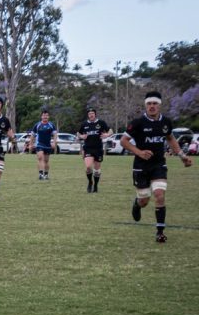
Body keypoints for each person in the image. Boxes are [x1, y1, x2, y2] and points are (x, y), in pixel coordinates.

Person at [120, 91, 193, 243]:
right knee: (144, 200)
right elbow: (124, 141)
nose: (152, 106)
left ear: (160, 105)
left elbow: (171, 139)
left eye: (155, 103)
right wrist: (139, 152)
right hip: (141, 166)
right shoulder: (138, 123)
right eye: (149, 104)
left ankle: (160, 232)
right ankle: (137, 204)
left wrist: (182, 156)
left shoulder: (165, 122)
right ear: (145, 105)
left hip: (159, 164)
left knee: (159, 195)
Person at [77, 107, 112, 193]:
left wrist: (107, 134)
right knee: (88, 167)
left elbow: (110, 130)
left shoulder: (101, 123)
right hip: (88, 148)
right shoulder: (84, 124)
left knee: (97, 170)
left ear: (95, 114)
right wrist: (81, 136)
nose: (91, 115)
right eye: (89, 114)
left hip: (98, 149)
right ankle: (90, 182)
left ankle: (96, 185)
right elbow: (78, 133)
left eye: (92, 113)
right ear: (88, 115)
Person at [29, 110, 58, 180]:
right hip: (39, 144)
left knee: (46, 161)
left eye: (46, 115)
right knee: (40, 158)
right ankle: (41, 174)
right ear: (41, 116)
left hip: (48, 145)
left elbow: (55, 134)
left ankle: (46, 174)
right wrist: (31, 144)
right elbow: (32, 135)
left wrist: (54, 143)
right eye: (44, 115)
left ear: (48, 117)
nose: (45, 117)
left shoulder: (51, 125)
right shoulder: (37, 125)